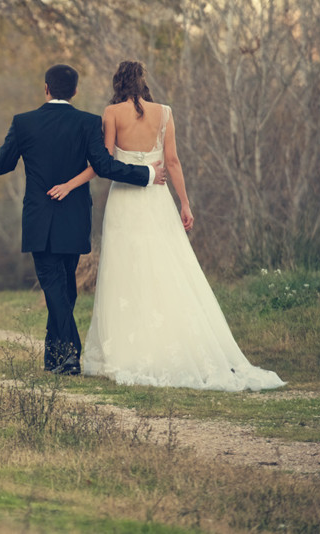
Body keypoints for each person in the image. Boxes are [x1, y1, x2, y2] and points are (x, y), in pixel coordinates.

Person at [48, 60, 285, 391]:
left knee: (126, 270)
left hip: (125, 201)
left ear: (118, 83)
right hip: (158, 199)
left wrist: (70, 184)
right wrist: (185, 203)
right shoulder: (165, 112)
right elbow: (172, 161)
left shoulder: (112, 113)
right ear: (143, 81)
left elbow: (103, 163)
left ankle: (128, 350)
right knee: (165, 267)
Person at [0, 64, 166, 375]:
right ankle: (55, 359)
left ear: (46, 88)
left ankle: (69, 357)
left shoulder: (24, 123)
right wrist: (147, 173)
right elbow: (104, 166)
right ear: (75, 91)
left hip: (39, 223)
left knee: (58, 291)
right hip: (75, 219)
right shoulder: (88, 122)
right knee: (63, 291)